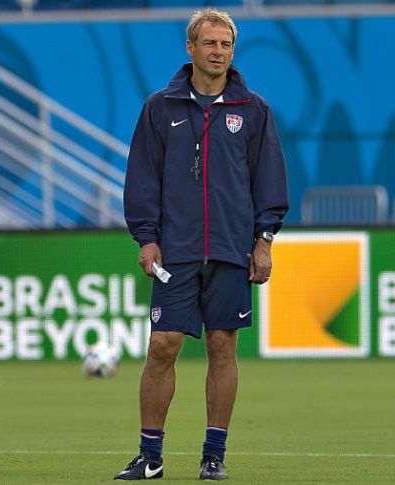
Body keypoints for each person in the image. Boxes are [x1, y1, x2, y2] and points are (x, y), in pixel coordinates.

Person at [116, 8, 289, 481]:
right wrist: (147, 238)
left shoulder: (253, 110)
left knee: (222, 346)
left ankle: (214, 455)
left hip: (232, 250)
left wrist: (264, 240)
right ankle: (150, 456)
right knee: (162, 345)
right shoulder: (160, 107)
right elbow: (142, 178)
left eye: (226, 44)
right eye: (210, 43)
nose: (218, 52)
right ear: (190, 48)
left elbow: (269, 181)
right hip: (176, 250)